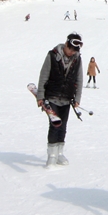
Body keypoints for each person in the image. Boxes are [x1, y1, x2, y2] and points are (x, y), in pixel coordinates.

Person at [35, 33, 83, 168]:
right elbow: (43, 76)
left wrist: (77, 98)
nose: (72, 52)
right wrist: (40, 96)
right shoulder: (52, 55)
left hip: (67, 98)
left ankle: (60, 153)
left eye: (75, 51)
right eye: (71, 49)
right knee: (54, 126)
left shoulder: (77, 59)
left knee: (63, 127)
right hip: (52, 97)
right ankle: (52, 155)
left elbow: (79, 79)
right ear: (66, 45)